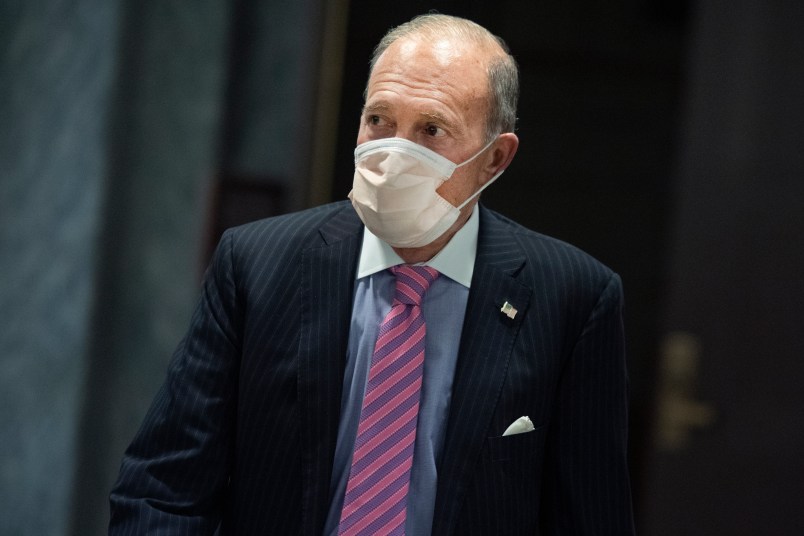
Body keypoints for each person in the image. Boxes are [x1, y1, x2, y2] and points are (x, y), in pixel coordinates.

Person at [109, 13, 635, 535]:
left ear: (495, 158)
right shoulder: (257, 264)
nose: (393, 152)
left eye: (431, 130)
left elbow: (590, 520)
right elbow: (163, 489)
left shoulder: (573, 298)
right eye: (379, 120)